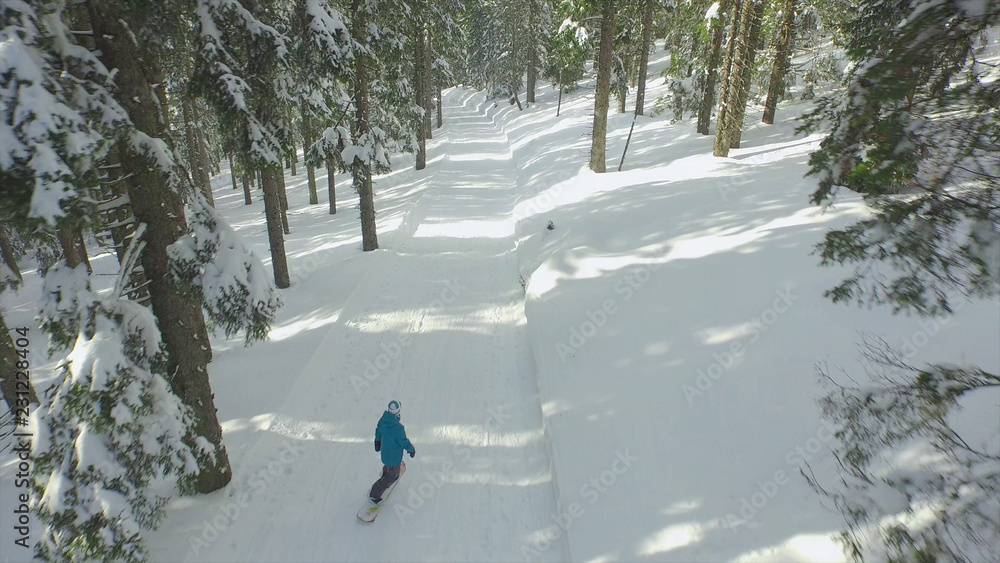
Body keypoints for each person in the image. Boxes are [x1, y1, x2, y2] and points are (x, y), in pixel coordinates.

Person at [369, 400, 415, 505]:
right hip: (394, 457)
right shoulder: (398, 428)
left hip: (385, 453)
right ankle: (374, 495)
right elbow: (403, 442)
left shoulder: (384, 419)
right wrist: (411, 449)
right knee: (392, 477)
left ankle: (385, 473)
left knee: (388, 466)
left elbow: (378, 430)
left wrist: (377, 441)